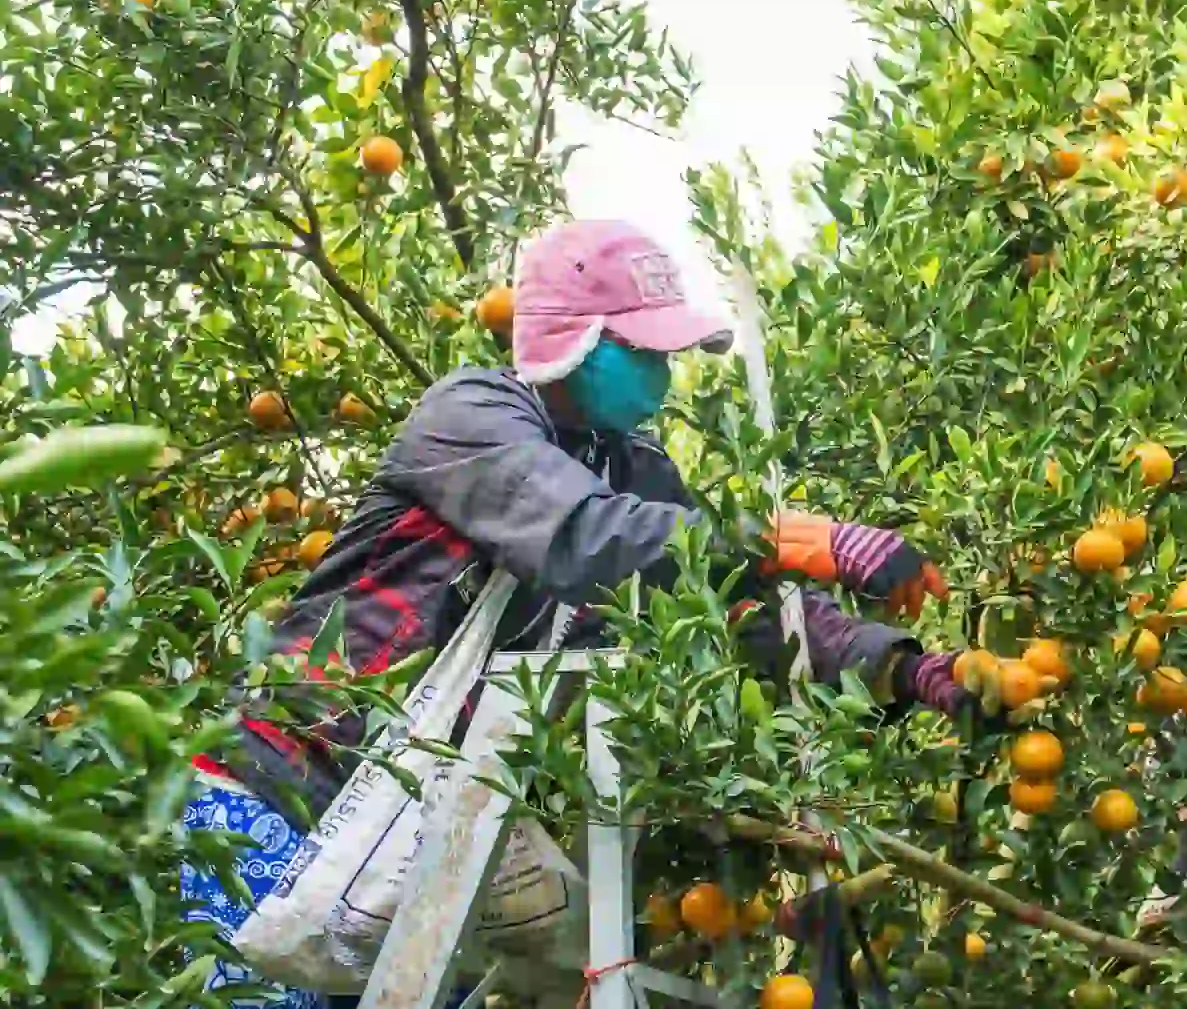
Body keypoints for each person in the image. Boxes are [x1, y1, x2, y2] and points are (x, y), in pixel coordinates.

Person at [182, 220, 976, 1008]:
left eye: (664, 352)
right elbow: (583, 535)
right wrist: (781, 539)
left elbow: (743, 608)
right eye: (640, 349)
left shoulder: (634, 470)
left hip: (422, 830)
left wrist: (907, 666)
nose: (659, 370)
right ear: (572, 339)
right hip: (287, 780)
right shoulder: (470, 414)